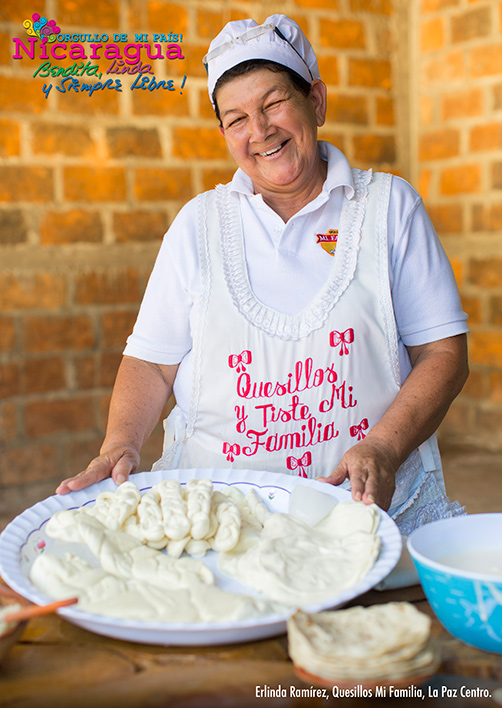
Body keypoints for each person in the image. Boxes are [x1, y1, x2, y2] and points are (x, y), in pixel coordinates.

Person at [57, 15, 469, 535]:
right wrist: (119, 446)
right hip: (215, 520)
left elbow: (443, 355)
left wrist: (384, 446)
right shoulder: (198, 225)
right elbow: (152, 365)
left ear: (315, 100)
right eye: (236, 119)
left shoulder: (389, 208)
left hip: (367, 515)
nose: (260, 131)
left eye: (273, 103)